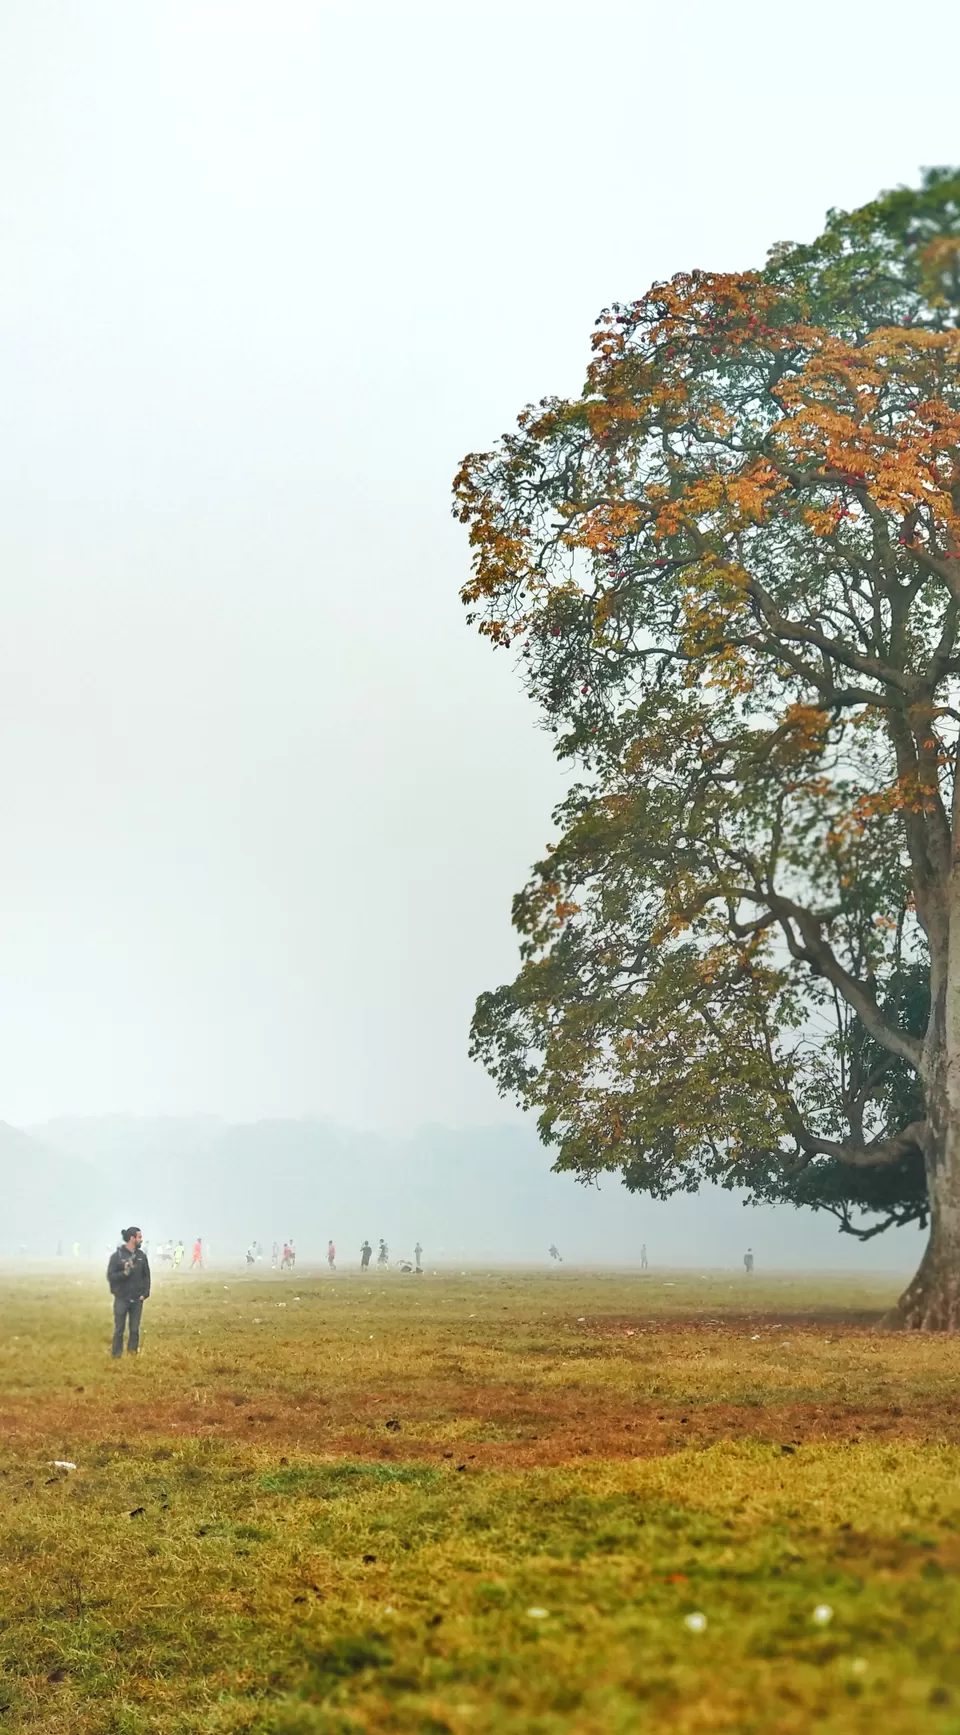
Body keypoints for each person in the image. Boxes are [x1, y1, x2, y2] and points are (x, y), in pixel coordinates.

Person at [107, 1226, 151, 1358]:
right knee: (119, 1329)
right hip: (121, 1298)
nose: (141, 1240)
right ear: (132, 1238)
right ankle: (116, 1354)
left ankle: (132, 1353)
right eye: (139, 1237)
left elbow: (146, 1276)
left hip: (137, 1298)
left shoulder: (141, 1256)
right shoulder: (117, 1256)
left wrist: (145, 1292)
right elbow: (111, 1277)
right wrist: (124, 1274)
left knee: (134, 1329)